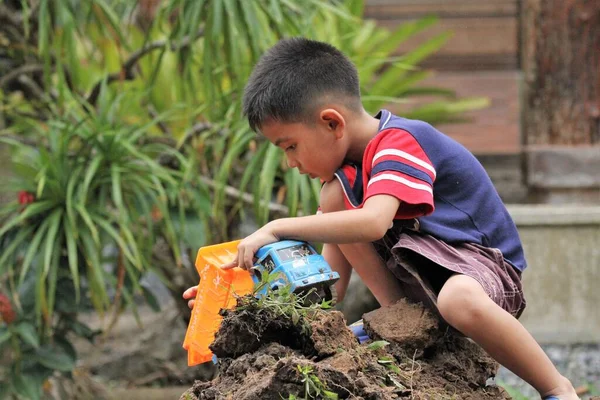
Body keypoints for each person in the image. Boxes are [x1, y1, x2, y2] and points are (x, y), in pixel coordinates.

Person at [183, 37, 578, 400]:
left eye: (290, 146)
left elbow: (373, 223)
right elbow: (325, 290)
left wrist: (274, 228)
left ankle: (556, 387)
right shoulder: (342, 186)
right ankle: (400, 322)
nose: (290, 163)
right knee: (333, 203)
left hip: (484, 273)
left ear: (332, 123)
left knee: (457, 298)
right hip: (426, 290)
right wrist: (235, 301)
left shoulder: (399, 142)